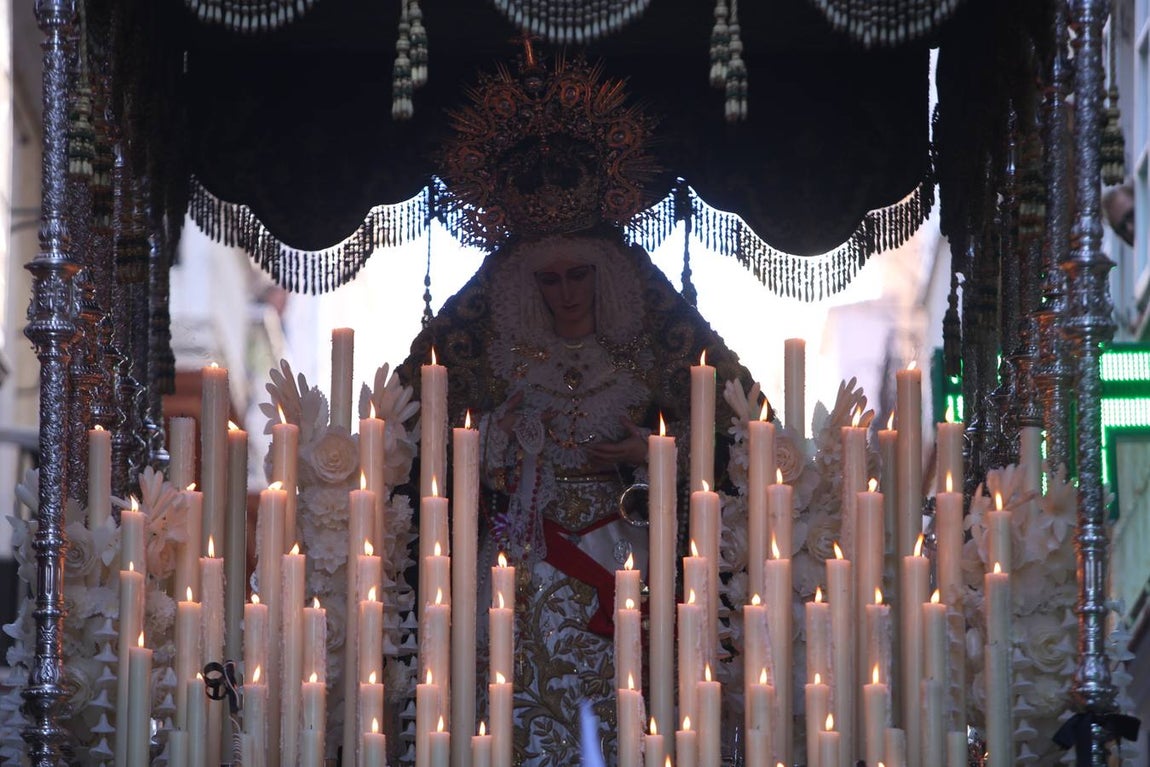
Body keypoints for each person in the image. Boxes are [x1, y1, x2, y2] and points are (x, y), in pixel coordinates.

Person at [398, 50, 759, 765]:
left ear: (608, 278)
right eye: (552, 278)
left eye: (579, 275)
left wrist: (653, 458)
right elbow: (445, 449)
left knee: (623, 691)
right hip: (525, 559)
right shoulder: (504, 365)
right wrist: (504, 443)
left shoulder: (639, 363)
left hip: (620, 551)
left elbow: (729, 433)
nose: (566, 292)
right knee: (513, 688)